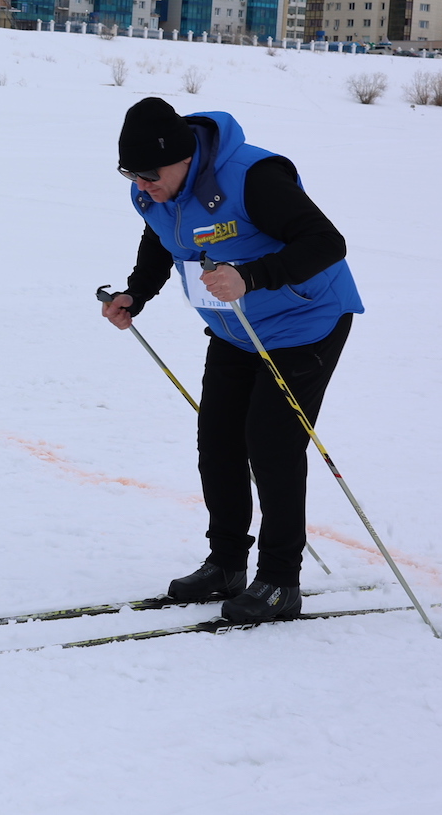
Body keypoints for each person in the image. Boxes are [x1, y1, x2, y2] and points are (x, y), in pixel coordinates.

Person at [101, 97, 362, 623]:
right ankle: (225, 565)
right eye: (129, 174)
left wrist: (253, 276)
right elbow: (161, 239)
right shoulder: (153, 191)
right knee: (217, 439)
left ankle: (280, 582)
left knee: (270, 441)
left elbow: (327, 242)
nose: (140, 185)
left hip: (305, 324)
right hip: (236, 330)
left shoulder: (251, 177)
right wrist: (136, 293)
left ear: (182, 158)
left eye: (148, 173)